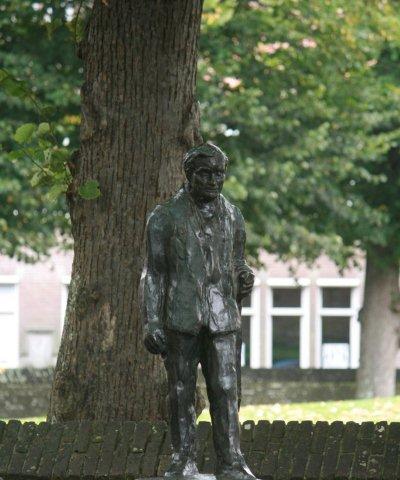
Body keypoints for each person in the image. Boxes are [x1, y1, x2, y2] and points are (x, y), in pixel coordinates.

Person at [140, 143, 255, 480]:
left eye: (219, 174)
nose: (213, 180)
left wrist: (244, 276)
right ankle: (183, 461)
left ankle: (231, 462)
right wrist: (152, 321)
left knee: (226, 388)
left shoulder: (233, 216)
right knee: (181, 391)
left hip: (222, 317)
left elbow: (237, 262)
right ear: (189, 174)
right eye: (205, 173)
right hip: (181, 317)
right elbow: (154, 273)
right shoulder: (164, 216)